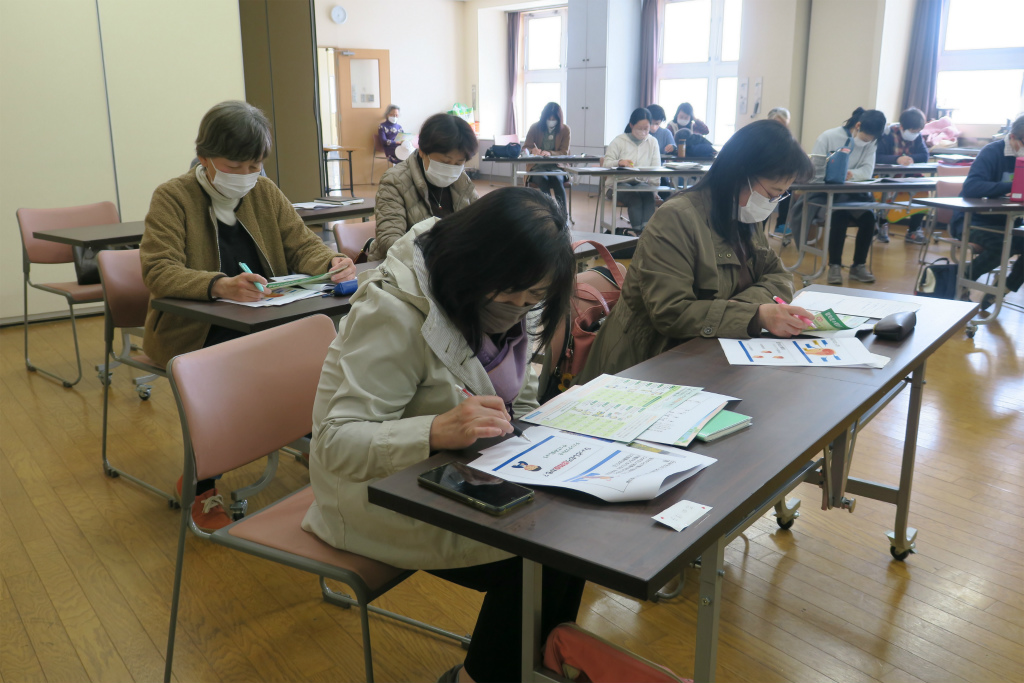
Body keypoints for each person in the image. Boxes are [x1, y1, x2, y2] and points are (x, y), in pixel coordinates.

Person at [302, 187, 584, 683]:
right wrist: (433, 430)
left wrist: (545, 437)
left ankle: (534, 668)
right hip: (374, 495)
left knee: (572, 536)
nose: (518, 310)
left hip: (456, 474)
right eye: (510, 296)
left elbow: (515, 397)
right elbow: (334, 444)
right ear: (474, 266)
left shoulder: (507, 294)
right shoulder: (392, 311)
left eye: (533, 299)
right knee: (540, 553)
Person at [140, 100, 356, 530]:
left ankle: (318, 440)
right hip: (196, 328)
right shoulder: (173, 197)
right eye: (234, 165)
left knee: (327, 350)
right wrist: (219, 285)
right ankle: (201, 484)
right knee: (229, 369)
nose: (246, 174)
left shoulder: (264, 191)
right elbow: (158, 270)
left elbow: (301, 244)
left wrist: (331, 261)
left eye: (254, 165)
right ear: (204, 157)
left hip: (265, 318)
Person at [576, 120, 814, 383]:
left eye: (780, 195)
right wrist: (756, 315)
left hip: (705, 353)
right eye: (772, 193)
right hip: (645, 364)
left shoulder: (744, 216)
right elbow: (671, 313)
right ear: (741, 174)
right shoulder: (677, 218)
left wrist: (742, 310)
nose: (772, 203)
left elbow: (779, 277)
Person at [368, 113, 479, 261]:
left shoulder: (462, 181)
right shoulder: (394, 181)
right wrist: (442, 256)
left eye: (459, 163)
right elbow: (390, 239)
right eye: (445, 162)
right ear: (422, 151)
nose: (451, 168)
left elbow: (481, 224)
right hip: (404, 267)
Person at [803, 107, 886, 285]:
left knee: (869, 218)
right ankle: (834, 266)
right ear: (858, 126)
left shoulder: (872, 143)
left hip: (854, 196)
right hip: (824, 196)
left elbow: (867, 171)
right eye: (865, 138)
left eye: (870, 140)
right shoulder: (828, 137)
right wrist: (836, 173)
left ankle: (858, 266)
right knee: (839, 215)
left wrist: (850, 174)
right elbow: (815, 172)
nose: (866, 143)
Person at [951, 113, 1024, 310]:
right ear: (1013, 138)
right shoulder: (992, 152)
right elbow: (971, 187)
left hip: (1007, 222)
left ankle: (1004, 288)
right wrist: (1011, 187)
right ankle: (960, 280)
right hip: (972, 221)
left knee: (1010, 241)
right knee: (1003, 245)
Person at [876, 107, 930, 244]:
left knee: (923, 191)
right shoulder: (887, 135)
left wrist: (909, 158)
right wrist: (897, 159)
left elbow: (924, 156)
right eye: (912, 131)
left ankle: (913, 230)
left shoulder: (918, 137)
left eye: (917, 131)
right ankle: (881, 225)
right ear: (902, 127)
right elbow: (877, 157)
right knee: (884, 194)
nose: (915, 134)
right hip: (888, 176)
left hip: (911, 175)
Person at [603, 107, 661, 233]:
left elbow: (656, 168)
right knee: (634, 197)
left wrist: (654, 189)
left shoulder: (652, 142)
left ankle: (646, 232)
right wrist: (619, 162)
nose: (643, 132)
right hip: (616, 184)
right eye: (640, 128)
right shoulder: (619, 141)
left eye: (646, 129)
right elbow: (606, 163)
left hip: (641, 183)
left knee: (648, 196)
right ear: (631, 125)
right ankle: (638, 233)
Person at [523, 101, 571, 213]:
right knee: (543, 180)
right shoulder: (535, 127)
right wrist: (533, 150)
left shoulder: (565, 130)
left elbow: (564, 152)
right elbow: (526, 147)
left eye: (554, 119)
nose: (551, 121)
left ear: (559, 119)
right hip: (537, 167)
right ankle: (550, 213)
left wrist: (550, 153)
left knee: (557, 180)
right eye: (549, 118)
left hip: (557, 166)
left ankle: (563, 215)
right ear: (544, 118)